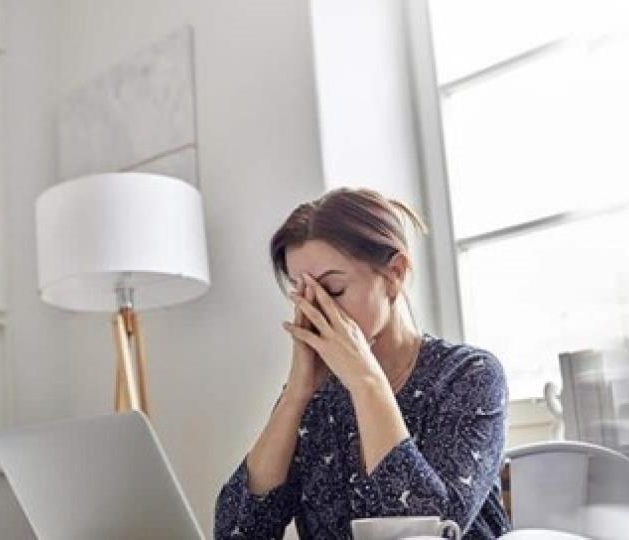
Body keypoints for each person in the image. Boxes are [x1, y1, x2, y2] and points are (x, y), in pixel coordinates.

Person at [214, 187, 511, 539]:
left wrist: (366, 382)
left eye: (334, 290)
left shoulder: (469, 375)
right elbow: (238, 532)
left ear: (395, 273)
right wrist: (296, 394)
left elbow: (427, 527)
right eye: (304, 295)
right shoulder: (315, 398)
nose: (319, 311)